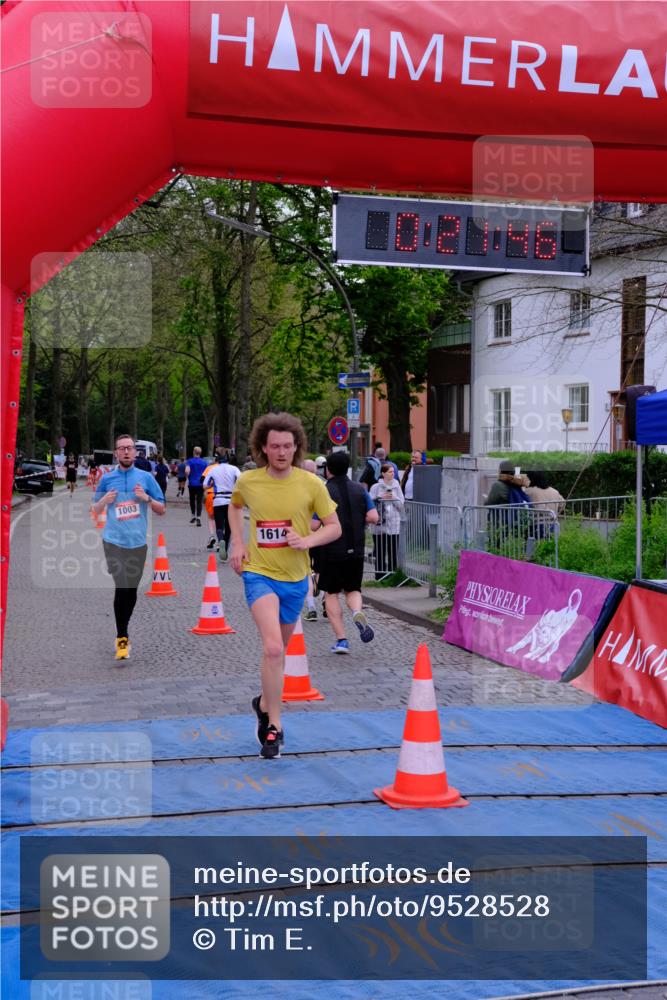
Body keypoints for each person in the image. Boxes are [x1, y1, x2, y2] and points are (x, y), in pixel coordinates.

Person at [228, 412, 341, 760]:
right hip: (259, 573)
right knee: (274, 649)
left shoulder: (312, 484)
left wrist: (307, 541)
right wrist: (237, 542)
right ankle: (274, 725)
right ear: (263, 448)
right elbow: (234, 508)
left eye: (288, 446)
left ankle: (263, 703)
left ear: (297, 448)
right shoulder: (248, 481)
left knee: (279, 650)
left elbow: (334, 527)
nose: (281, 452)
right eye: (275, 446)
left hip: (295, 579)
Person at [93, 433, 165, 661]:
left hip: (137, 543)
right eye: (121, 448)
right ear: (115, 453)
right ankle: (122, 637)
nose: (126, 451)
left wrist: (146, 498)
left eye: (129, 448)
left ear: (135, 452)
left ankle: (124, 628)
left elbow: (161, 508)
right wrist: (104, 501)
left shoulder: (145, 478)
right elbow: (94, 509)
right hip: (113, 541)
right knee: (121, 586)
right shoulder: (107, 479)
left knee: (131, 591)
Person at [317, 450, 379, 653]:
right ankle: (356, 613)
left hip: (332, 550)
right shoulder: (360, 490)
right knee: (353, 589)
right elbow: (373, 517)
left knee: (331, 593)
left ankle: (342, 640)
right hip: (357, 549)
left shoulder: (323, 492)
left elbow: (313, 525)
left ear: (328, 470)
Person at [369, 463, 404, 579]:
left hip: (394, 523)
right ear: (383, 473)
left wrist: (393, 498)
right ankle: (379, 576)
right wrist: (380, 498)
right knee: (380, 550)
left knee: (393, 550)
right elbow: (370, 503)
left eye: (393, 472)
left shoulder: (397, 486)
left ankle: (392, 575)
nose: (392, 474)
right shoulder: (375, 487)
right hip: (379, 524)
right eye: (389, 472)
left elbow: (401, 506)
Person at [204, 451, 241, 561]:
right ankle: (225, 553)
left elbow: (205, 485)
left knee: (219, 525)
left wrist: (211, 484)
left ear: (217, 460)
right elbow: (242, 480)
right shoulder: (234, 469)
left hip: (218, 500)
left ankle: (220, 541)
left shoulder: (213, 469)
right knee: (229, 526)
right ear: (228, 459)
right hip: (231, 500)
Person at [185, 446, 207, 526]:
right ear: (200, 453)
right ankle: (199, 517)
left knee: (192, 499)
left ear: (194, 452)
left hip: (192, 484)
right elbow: (207, 473)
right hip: (200, 484)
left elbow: (187, 471)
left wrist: (188, 477)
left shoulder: (190, 461)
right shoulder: (204, 462)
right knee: (199, 501)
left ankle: (193, 515)